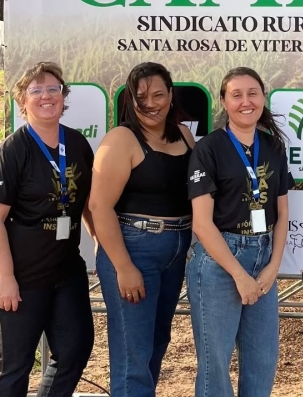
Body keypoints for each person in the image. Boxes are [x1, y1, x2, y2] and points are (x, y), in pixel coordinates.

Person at [0, 61, 95, 397]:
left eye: (53, 88)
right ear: (23, 101)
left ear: (63, 96)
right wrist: (5, 277)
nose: (46, 95)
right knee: (14, 366)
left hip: (64, 271)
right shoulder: (11, 152)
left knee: (74, 350)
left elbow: (87, 203)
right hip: (19, 276)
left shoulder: (76, 144)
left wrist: (101, 242)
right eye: (36, 90)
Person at [185, 67, 294, 397]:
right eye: (236, 95)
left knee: (263, 360)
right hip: (220, 264)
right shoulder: (209, 150)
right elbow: (202, 224)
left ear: (263, 98)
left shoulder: (273, 146)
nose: (246, 102)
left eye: (253, 93)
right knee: (215, 364)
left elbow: (283, 212)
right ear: (223, 102)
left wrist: (273, 267)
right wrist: (238, 275)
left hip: (263, 260)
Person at [89, 62, 195, 397]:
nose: (151, 103)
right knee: (132, 354)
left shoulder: (185, 135)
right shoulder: (121, 139)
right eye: (141, 96)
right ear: (130, 100)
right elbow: (98, 206)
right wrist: (122, 266)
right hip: (134, 250)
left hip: (176, 249)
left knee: (156, 343)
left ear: (171, 94)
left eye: (158, 94)